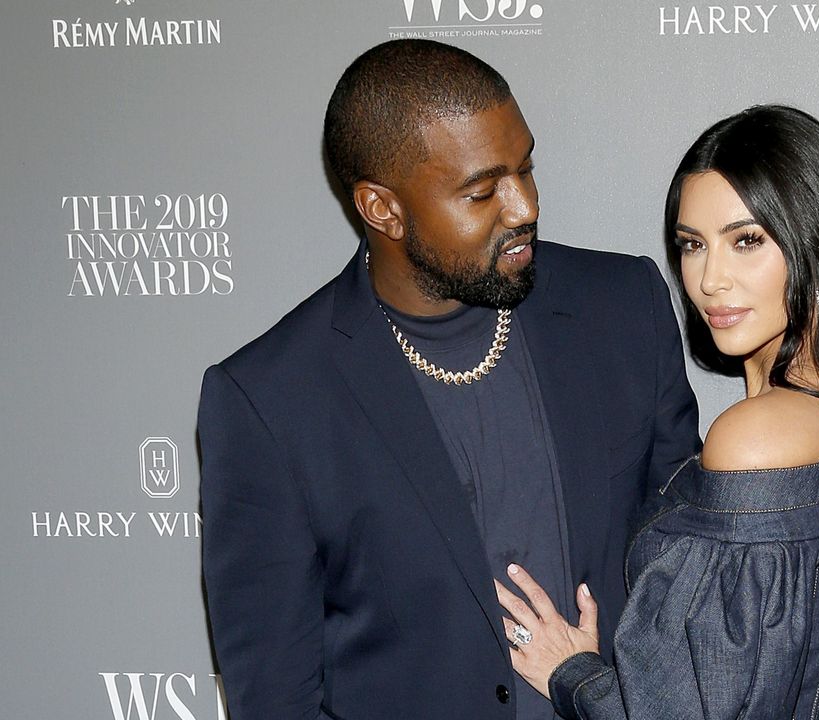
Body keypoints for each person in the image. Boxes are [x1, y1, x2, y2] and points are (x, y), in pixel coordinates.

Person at [197, 39, 700, 719]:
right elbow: (275, 696)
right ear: (383, 209)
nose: (523, 206)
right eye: (482, 190)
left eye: (525, 169)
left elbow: (687, 570)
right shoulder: (272, 400)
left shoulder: (622, 308)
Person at [492, 105, 819, 720]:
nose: (710, 279)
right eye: (692, 245)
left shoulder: (758, 437)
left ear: (816, 245)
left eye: (746, 241)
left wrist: (573, 674)